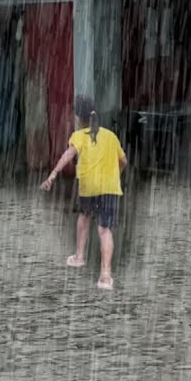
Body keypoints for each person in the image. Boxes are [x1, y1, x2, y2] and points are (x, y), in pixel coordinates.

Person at [41, 95, 127, 290]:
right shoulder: (110, 136)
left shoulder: (78, 136)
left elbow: (67, 155)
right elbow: (124, 161)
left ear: (78, 117)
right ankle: (105, 277)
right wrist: (116, 175)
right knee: (105, 230)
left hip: (88, 187)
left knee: (84, 216)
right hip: (110, 188)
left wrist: (53, 175)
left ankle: (79, 257)